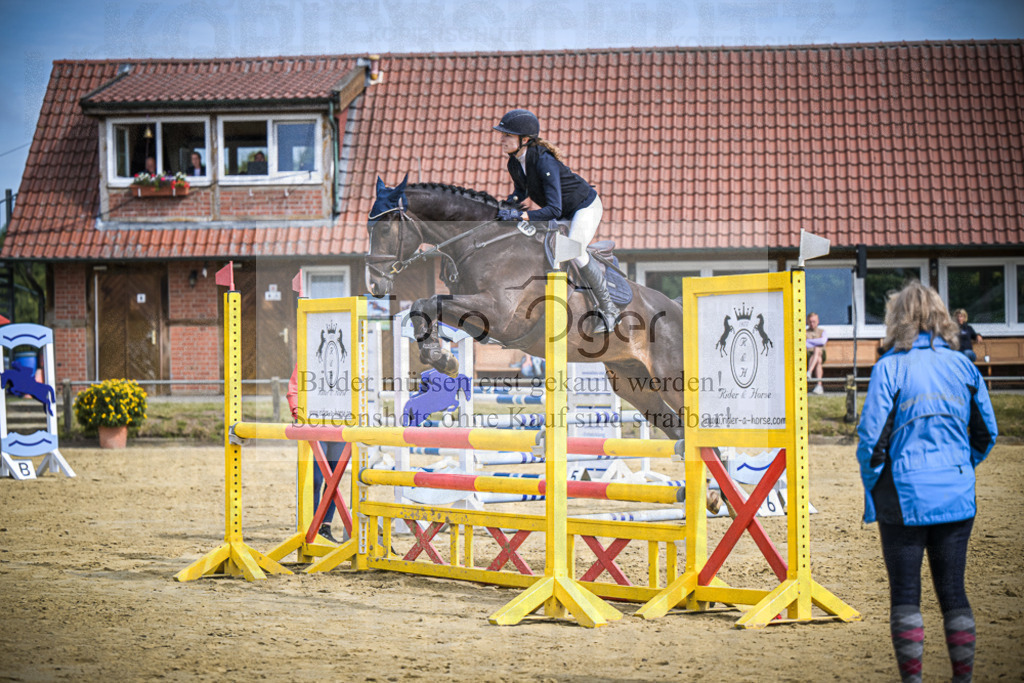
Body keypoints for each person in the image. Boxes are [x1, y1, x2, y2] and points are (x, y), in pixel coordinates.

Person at [856, 281, 997, 683]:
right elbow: (986, 432)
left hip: (902, 496)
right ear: (942, 316)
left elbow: (871, 442)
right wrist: (960, 467)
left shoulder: (889, 368)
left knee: (905, 596)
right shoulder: (964, 366)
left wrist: (873, 487)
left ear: (896, 319)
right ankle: (963, 679)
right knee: (954, 594)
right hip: (956, 493)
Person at [492, 108, 619, 334]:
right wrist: (506, 206)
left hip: (584, 207)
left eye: (507, 135)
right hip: (561, 212)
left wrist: (522, 215)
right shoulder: (514, 162)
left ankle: (609, 309)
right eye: (503, 135)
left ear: (525, 139)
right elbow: (521, 192)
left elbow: (554, 209)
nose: (502, 139)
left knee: (574, 251)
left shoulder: (544, 161)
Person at [287, 365, 346, 544]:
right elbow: (294, 388)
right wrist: (299, 414)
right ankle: (311, 526)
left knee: (334, 479)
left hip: (341, 423)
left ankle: (325, 527)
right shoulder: (308, 357)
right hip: (313, 424)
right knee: (315, 479)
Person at [806, 312, 827, 394]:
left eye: (814, 321)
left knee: (817, 349)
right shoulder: (804, 332)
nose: (812, 323)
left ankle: (809, 372)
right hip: (809, 355)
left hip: (822, 353)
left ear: (818, 321)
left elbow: (823, 341)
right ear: (807, 322)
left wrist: (810, 341)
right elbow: (805, 343)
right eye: (810, 321)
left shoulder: (822, 331)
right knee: (818, 360)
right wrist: (816, 342)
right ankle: (819, 386)